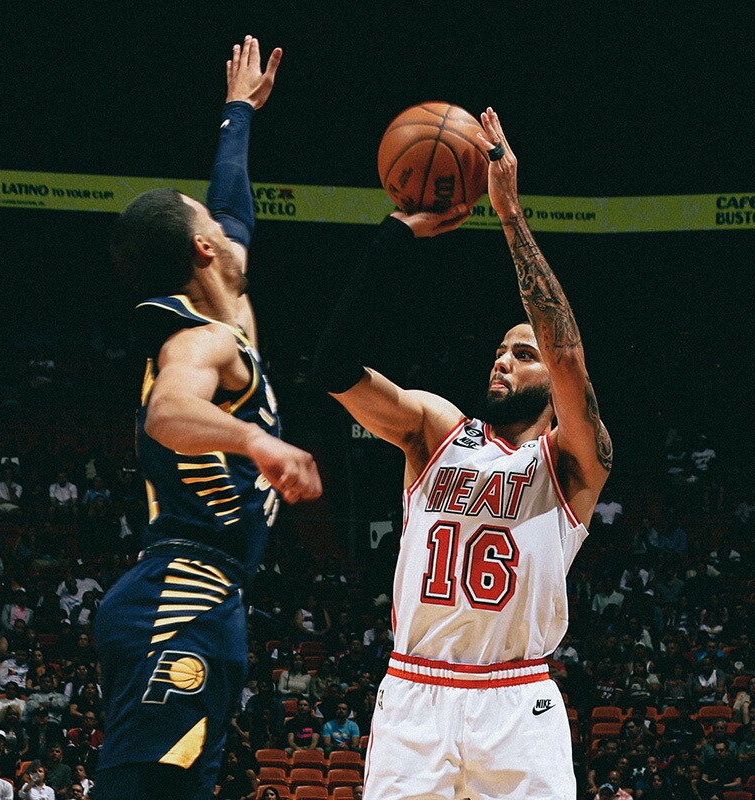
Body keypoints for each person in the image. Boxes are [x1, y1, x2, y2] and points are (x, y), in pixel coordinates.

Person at [314, 107, 611, 800]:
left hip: (516, 699)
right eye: (500, 350)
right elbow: (330, 365)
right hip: (416, 692)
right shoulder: (435, 431)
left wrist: (510, 218)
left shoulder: (572, 465)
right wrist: (395, 234)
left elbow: (567, 352)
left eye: (521, 352)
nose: (503, 361)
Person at [91, 37, 320, 800]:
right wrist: (257, 440)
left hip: (208, 598)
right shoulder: (202, 340)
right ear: (202, 247)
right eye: (211, 224)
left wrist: (238, 115)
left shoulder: (233, 318)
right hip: (176, 601)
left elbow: (230, 202)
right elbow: (168, 410)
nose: (226, 223)